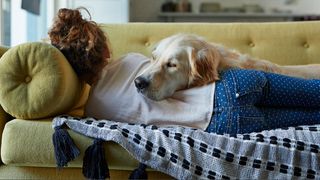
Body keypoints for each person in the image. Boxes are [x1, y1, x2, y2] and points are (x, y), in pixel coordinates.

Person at [48, 8, 320, 137]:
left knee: (312, 119)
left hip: (224, 125)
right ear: (105, 51)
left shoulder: (95, 111)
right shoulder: (130, 61)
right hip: (235, 83)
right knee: (313, 93)